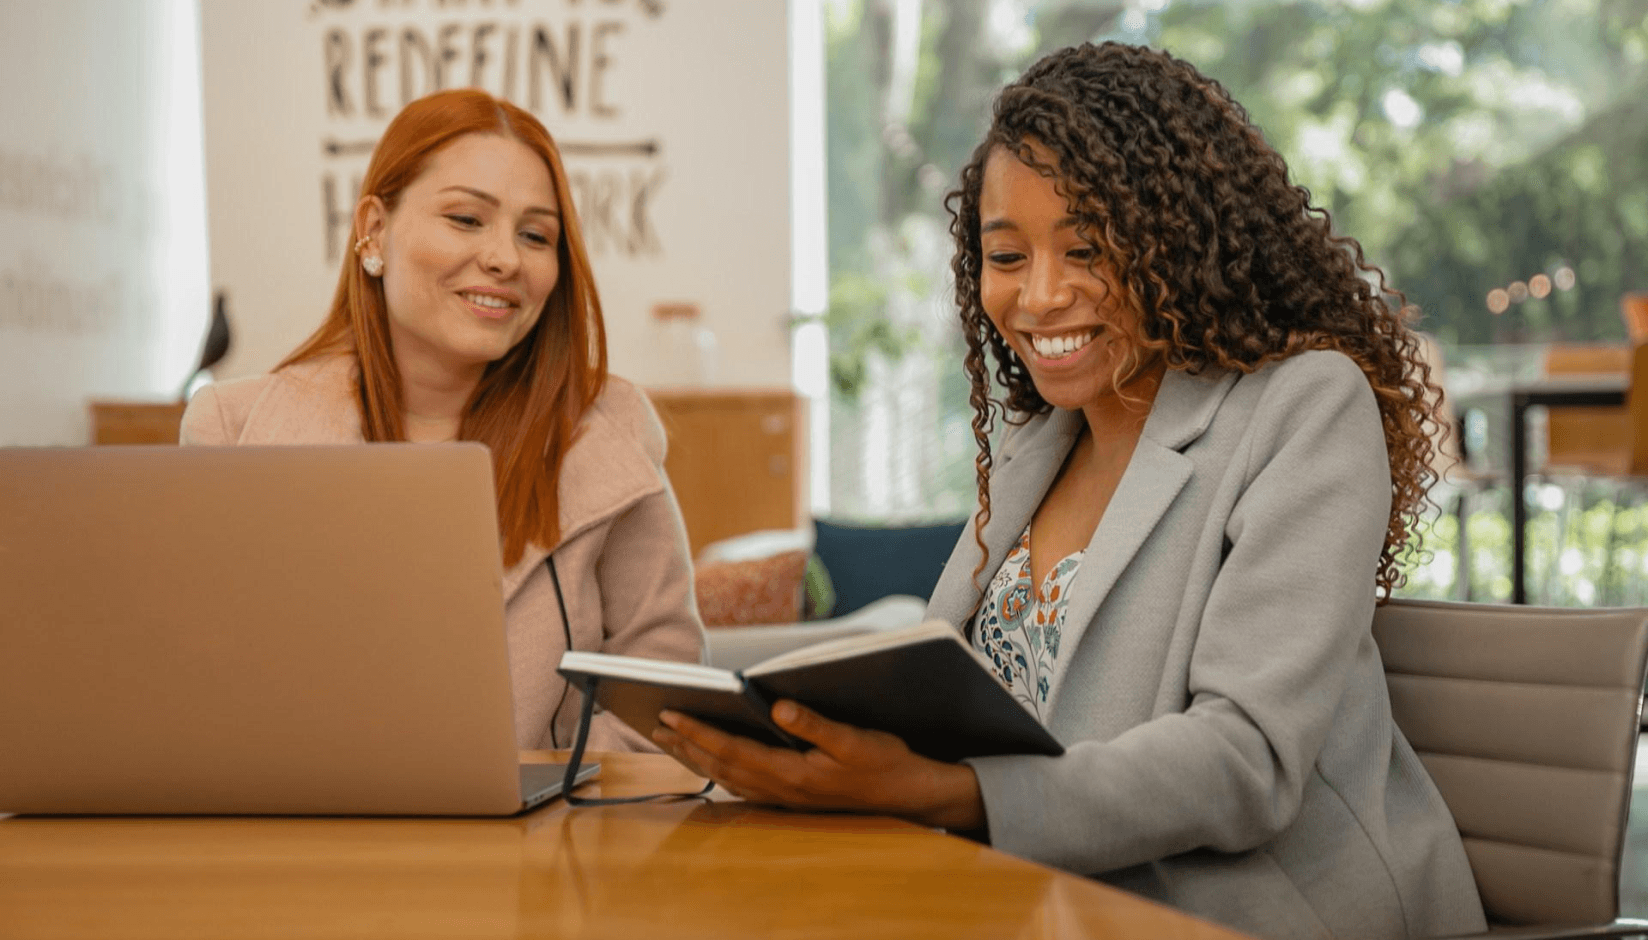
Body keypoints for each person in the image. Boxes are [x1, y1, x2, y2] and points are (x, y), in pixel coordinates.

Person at [651, 42, 1486, 939]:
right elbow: (952, 699)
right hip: (1032, 898)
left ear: (1180, 240)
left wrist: (953, 794)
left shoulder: (1306, 406)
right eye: (1006, 256)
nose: (1040, 297)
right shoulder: (1036, 445)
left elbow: (1247, 760)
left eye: (1085, 247)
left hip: (1247, 914)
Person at [181, 89, 705, 753]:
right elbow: (202, 694)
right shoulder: (230, 430)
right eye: (466, 219)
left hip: (550, 846)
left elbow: (664, 688)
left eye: (535, 235)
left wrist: (554, 798)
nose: (505, 259)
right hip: (308, 843)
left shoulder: (611, 429)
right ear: (373, 229)